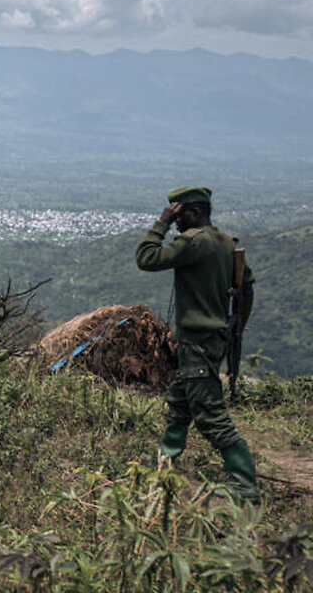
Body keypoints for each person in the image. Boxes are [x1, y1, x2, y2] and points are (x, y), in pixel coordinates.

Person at [136, 186, 258, 501]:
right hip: (215, 338)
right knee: (179, 403)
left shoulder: (194, 242)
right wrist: (235, 327)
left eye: (178, 215)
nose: (176, 222)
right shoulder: (226, 243)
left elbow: (146, 258)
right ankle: (167, 466)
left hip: (197, 341)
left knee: (211, 415)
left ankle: (245, 486)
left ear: (193, 212)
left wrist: (161, 222)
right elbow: (247, 287)